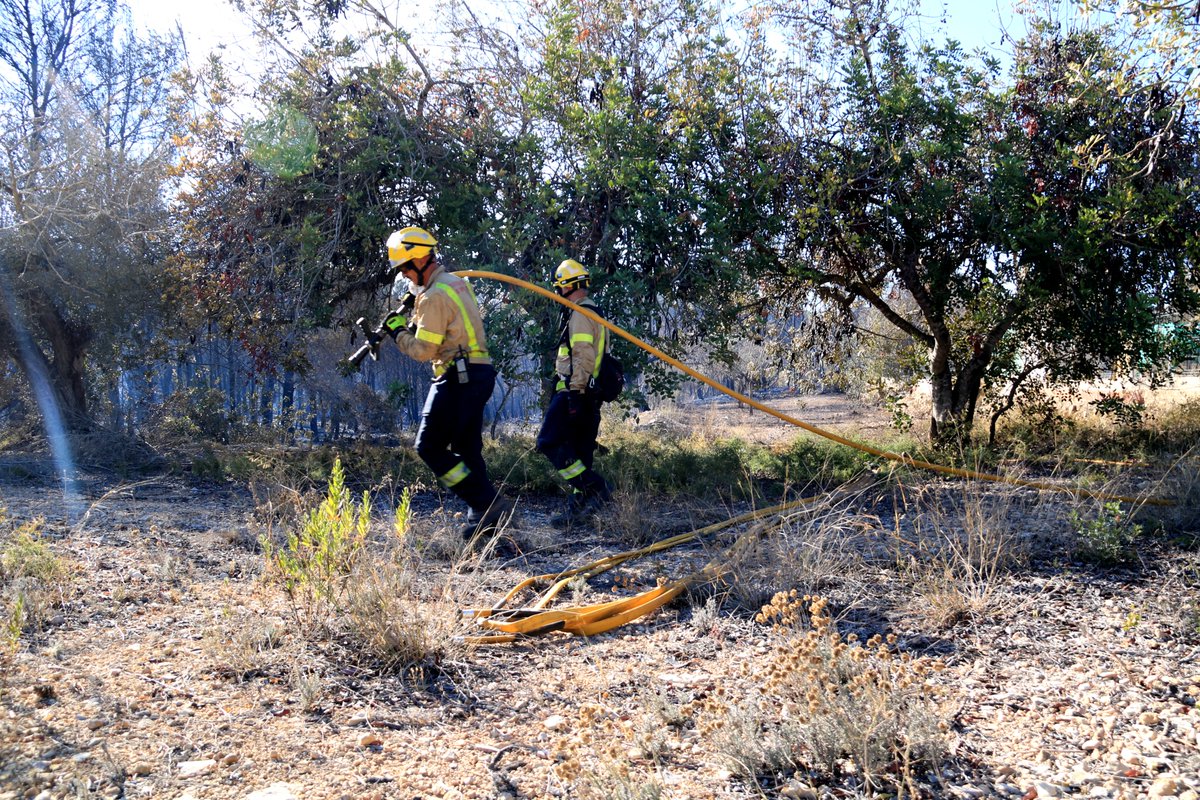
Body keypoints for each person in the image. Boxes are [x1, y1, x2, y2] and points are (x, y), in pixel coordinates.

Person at [374, 226, 513, 543]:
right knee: (466, 448)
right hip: (478, 373)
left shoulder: (433, 296)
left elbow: (424, 350)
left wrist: (398, 332)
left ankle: (484, 502)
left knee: (429, 447)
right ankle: (485, 522)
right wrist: (414, 313)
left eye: (406, 269)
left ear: (421, 259)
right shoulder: (454, 284)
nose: (406, 277)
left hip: (457, 375)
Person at [536, 258, 613, 528]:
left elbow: (583, 355)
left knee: (547, 441)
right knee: (579, 452)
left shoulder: (580, 313)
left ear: (567, 287)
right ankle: (578, 511)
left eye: (559, 288)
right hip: (590, 394)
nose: (557, 294)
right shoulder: (595, 312)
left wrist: (575, 392)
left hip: (575, 391)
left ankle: (595, 487)